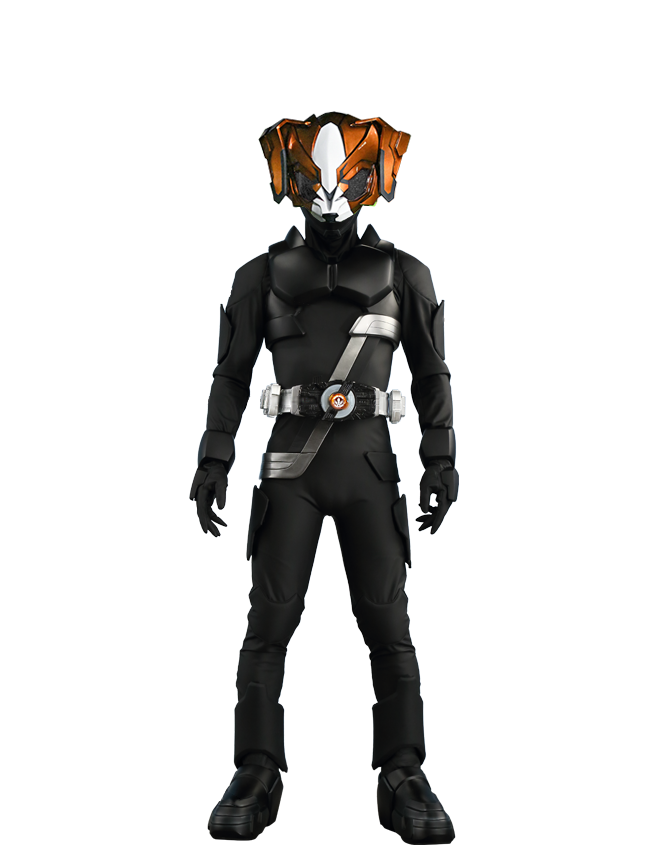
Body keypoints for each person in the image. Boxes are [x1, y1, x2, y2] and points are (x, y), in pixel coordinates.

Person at [191, 112, 458, 843]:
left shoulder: (405, 275)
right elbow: (231, 375)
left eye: (347, 181)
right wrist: (213, 458)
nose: (331, 198)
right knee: (268, 624)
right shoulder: (260, 275)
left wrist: (440, 458)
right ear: (293, 182)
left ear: (373, 183)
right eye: (317, 181)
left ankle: (403, 770)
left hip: (368, 464)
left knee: (389, 624)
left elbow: (431, 373)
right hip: (292, 468)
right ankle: (256, 767)